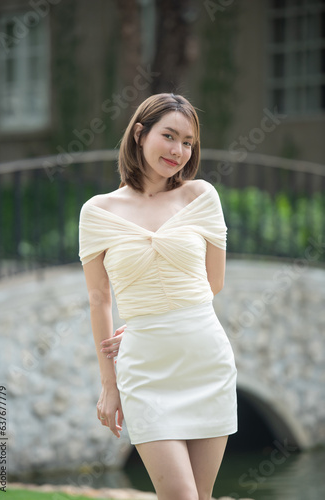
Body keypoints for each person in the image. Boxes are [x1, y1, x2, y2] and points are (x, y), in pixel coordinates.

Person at [79, 93, 237, 500]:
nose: (179, 151)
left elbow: (212, 282)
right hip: (145, 371)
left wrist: (156, 318)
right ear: (139, 133)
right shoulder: (97, 211)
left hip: (206, 361)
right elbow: (99, 299)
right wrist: (109, 384)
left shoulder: (201, 197)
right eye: (169, 136)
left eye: (188, 142)